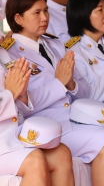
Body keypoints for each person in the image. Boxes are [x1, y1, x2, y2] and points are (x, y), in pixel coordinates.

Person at [4, 0, 104, 186]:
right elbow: (22, 104)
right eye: (36, 13)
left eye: (45, 10)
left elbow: (84, 90)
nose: (44, 17)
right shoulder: (10, 55)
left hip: (74, 119)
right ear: (18, 18)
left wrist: (70, 84)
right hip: (44, 127)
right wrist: (60, 83)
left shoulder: (54, 45)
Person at [0, 58, 75, 186]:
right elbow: (8, 94)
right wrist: (11, 93)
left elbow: (13, 100)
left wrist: (21, 94)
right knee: (34, 161)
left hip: (8, 139)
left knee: (61, 154)